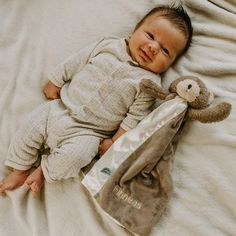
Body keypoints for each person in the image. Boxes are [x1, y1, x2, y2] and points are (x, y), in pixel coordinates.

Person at [0, 5, 193, 193]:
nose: (152, 47)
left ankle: (44, 171)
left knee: (76, 157)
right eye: (150, 36)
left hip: (89, 133)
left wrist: (114, 141)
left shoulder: (149, 84)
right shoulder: (109, 45)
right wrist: (56, 80)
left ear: (170, 64)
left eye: (165, 51)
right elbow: (77, 60)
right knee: (31, 127)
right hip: (59, 108)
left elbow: (133, 119)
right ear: (135, 30)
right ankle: (20, 169)